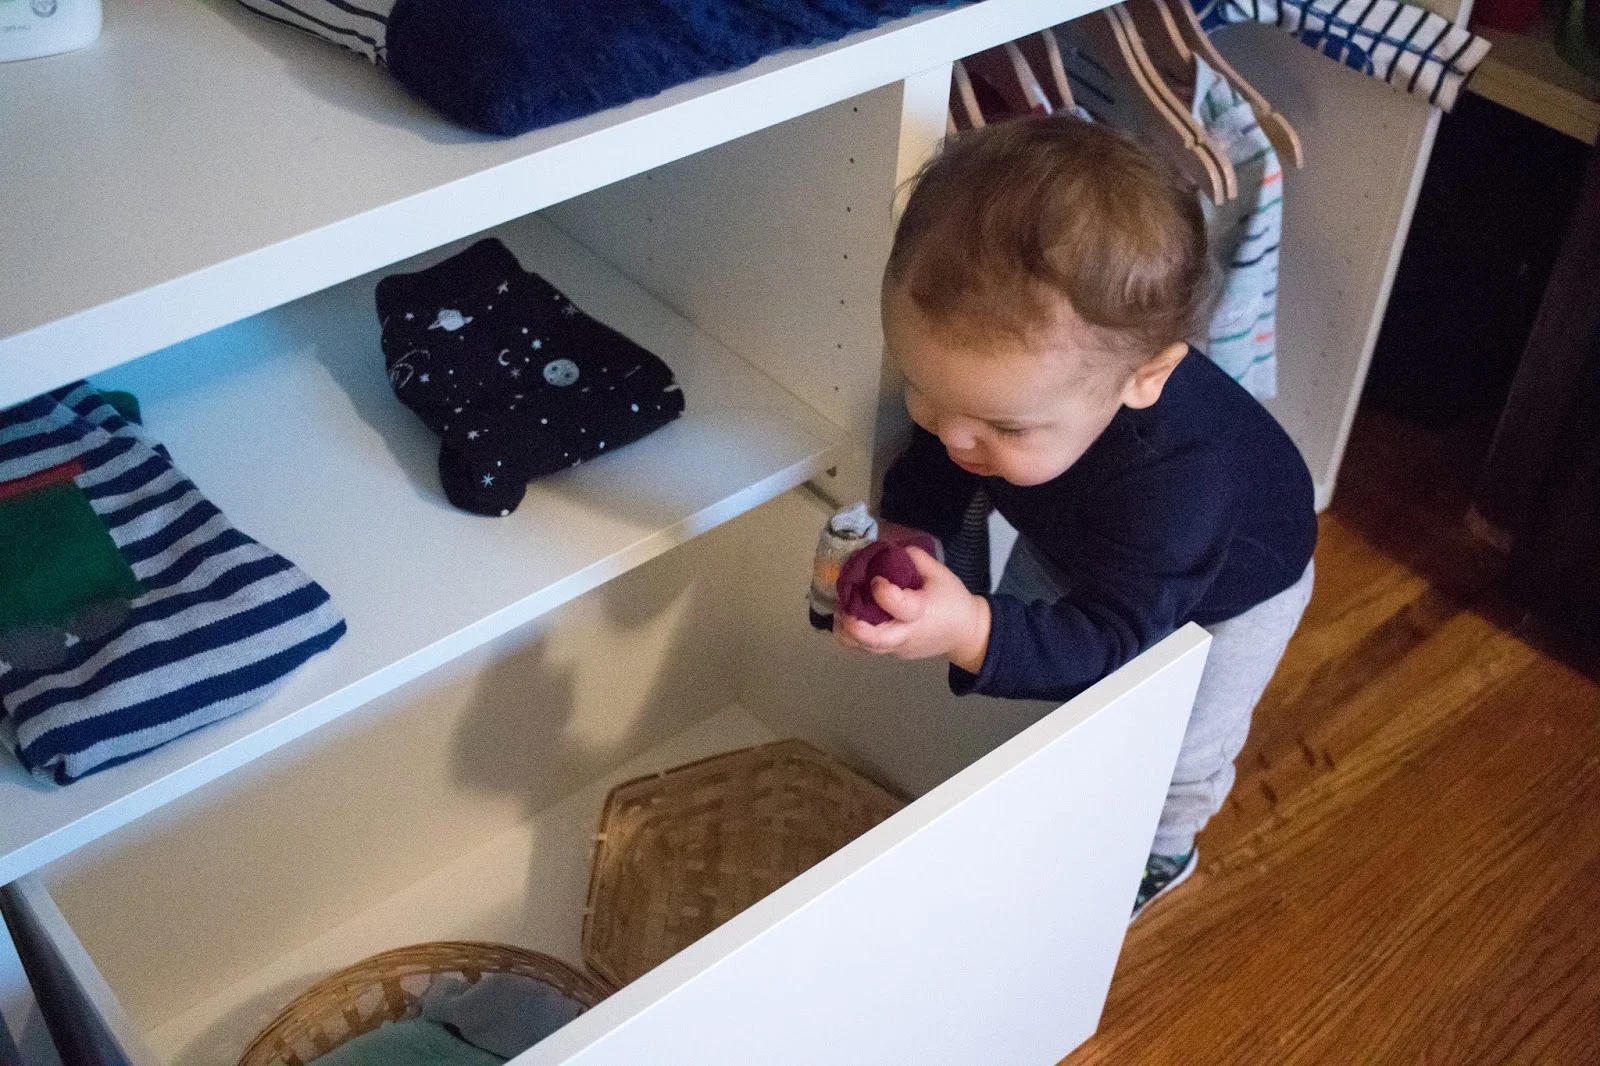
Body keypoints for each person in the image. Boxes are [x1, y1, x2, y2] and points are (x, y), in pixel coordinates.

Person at [833, 115, 1317, 918]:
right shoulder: (1001, 411)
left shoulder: (1179, 484)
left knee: (1179, 745)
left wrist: (968, 630)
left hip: (1234, 588)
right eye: (927, 394)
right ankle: (1068, 786)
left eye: (1004, 426)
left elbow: (1113, 641)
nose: (952, 435)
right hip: (1083, 537)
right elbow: (939, 463)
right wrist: (910, 531)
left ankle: (1164, 853)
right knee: (1059, 697)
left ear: (1146, 377)